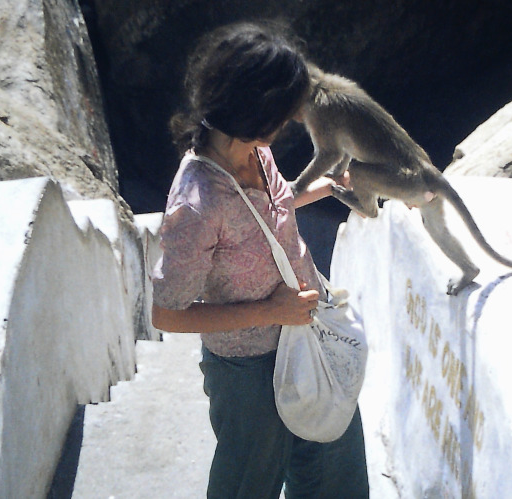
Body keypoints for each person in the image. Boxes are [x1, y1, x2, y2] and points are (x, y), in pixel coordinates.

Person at [151, 21, 369, 499]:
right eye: (285, 110)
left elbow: (272, 211)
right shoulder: (197, 203)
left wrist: (328, 187)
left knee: (336, 472)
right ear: (255, 108)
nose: (292, 120)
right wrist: (270, 312)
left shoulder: (255, 152)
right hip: (250, 372)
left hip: (309, 338)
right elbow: (167, 313)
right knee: (250, 484)